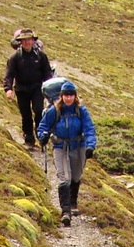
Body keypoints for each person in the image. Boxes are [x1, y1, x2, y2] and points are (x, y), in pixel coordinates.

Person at [36, 81, 97, 227]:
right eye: (65, 95)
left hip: (78, 146)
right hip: (60, 146)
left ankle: (73, 202)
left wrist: (90, 146)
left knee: (76, 176)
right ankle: (65, 211)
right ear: (61, 96)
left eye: (71, 95)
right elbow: (43, 126)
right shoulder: (54, 111)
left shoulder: (81, 111)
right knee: (64, 177)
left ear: (75, 96)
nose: (68, 98)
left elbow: (89, 129)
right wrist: (42, 136)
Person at [3, 27, 54, 149]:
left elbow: (47, 73)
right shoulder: (15, 57)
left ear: (33, 41)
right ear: (20, 42)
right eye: (24, 40)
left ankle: (41, 136)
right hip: (21, 90)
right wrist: (8, 89)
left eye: (29, 40)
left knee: (38, 110)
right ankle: (29, 139)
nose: (27, 42)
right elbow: (9, 74)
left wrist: (49, 88)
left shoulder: (41, 56)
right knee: (25, 115)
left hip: (37, 88)